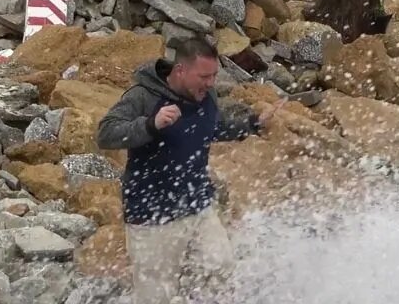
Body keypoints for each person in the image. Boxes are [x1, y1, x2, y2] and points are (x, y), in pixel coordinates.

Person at [97, 37, 285, 304]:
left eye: (214, 76)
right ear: (180, 70)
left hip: (197, 205)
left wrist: (252, 123)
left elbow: (212, 129)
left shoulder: (205, 95)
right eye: (204, 76)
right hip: (152, 215)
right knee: (156, 296)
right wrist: (150, 125)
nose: (210, 83)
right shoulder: (144, 96)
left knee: (220, 266)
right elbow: (106, 134)